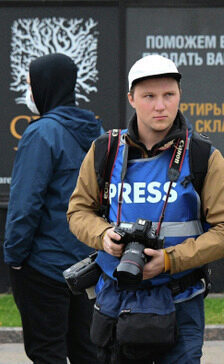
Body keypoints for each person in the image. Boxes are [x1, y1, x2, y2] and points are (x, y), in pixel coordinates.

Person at [67, 54, 224, 363]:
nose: (160, 106)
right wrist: (103, 235)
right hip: (116, 300)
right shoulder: (105, 151)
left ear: (180, 96)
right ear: (131, 99)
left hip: (180, 302)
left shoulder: (203, 156)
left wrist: (168, 260)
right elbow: (78, 212)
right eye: (149, 96)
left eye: (169, 95)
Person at [3, 53, 102, 363]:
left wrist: (15, 257)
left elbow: (25, 205)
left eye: (32, 85)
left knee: (47, 352)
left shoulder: (40, 133)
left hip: (43, 267)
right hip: (88, 265)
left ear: (45, 86)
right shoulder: (97, 132)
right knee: (87, 350)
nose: (29, 93)